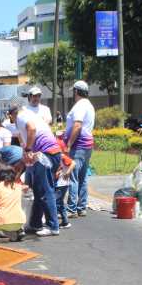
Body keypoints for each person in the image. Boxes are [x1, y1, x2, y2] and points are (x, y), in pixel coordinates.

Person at [16, 105, 62, 236]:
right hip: (50, 153)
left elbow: (32, 129)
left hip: (45, 154)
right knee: (37, 189)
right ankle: (35, 223)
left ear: (11, 114)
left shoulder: (21, 116)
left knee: (46, 190)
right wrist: (24, 160)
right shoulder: (32, 115)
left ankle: (53, 226)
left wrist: (29, 150)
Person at [63, 80, 95, 218]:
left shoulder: (80, 106)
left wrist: (69, 143)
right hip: (87, 144)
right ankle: (81, 207)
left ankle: (71, 209)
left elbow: (77, 125)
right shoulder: (89, 105)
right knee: (82, 176)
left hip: (79, 145)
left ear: (76, 91)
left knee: (73, 176)